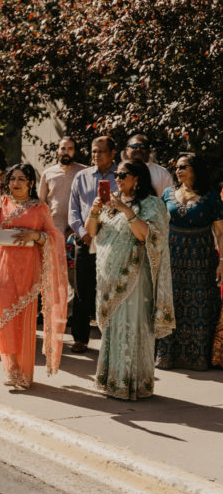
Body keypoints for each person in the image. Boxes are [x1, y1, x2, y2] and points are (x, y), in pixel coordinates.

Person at [85, 160, 174, 399]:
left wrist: (126, 210)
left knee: (132, 327)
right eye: (116, 174)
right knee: (113, 328)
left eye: (123, 174)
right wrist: (95, 210)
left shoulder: (152, 204)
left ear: (138, 178)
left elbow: (149, 236)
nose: (117, 178)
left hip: (134, 277)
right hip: (108, 277)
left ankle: (132, 385)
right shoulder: (110, 203)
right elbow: (92, 232)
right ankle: (110, 381)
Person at [0, 164, 69, 389]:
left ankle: (25, 373)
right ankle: (11, 369)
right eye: (12, 179)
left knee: (24, 319)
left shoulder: (40, 208)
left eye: (21, 179)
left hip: (28, 269)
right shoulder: (1, 203)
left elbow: (54, 236)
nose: (16, 183)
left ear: (30, 183)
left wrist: (35, 236)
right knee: (4, 318)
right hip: (2, 266)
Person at [158, 154, 223, 370]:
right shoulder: (168, 194)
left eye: (183, 166)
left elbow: (220, 233)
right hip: (172, 257)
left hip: (201, 259)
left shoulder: (211, 196)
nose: (178, 170)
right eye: (176, 167)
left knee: (199, 306)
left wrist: (222, 261)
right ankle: (167, 356)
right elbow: (158, 225)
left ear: (196, 169)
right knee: (171, 303)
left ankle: (198, 358)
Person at [67, 136, 119, 353]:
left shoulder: (121, 175)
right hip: (86, 241)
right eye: (94, 151)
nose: (96, 155)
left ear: (113, 153)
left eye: (101, 151)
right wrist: (83, 233)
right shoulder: (82, 176)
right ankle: (80, 338)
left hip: (113, 241)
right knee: (82, 291)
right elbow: (73, 211)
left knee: (110, 289)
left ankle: (111, 338)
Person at [38, 137, 86, 313]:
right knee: (52, 269)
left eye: (70, 148)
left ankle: (70, 312)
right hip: (54, 227)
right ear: (58, 150)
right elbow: (41, 203)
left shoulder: (83, 172)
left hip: (76, 228)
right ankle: (50, 310)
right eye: (63, 148)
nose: (66, 152)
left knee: (73, 272)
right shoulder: (48, 173)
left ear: (75, 151)